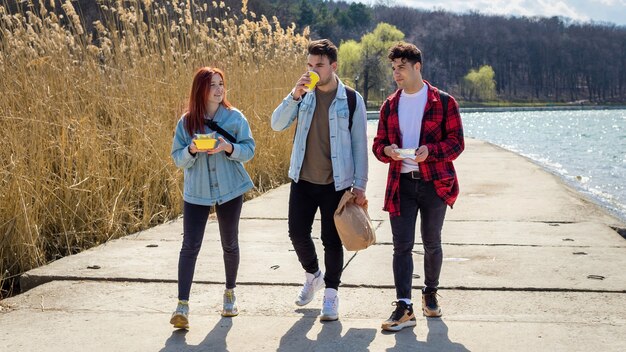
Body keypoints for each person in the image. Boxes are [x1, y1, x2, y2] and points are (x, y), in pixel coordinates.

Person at [271, 39, 368, 321]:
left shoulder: (351, 99)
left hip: (335, 183)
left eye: (319, 65)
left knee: (331, 240)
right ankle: (313, 275)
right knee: (297, 233)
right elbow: (277, 124)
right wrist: (294, 94)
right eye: (310, 65)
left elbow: (359, 145)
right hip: (302, 178)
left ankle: (331, 296)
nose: (313, 70)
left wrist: (359, 185)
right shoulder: (304, 95)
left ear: (333, 66)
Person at [372, 42, 464, 332]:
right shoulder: (390, 105)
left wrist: (430, 150)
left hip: (435, 182)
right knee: (401, 246)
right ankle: (404, 306)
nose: (396, 73)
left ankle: (430, 293)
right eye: (393, 68)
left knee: (432, 242)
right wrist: (388, 151)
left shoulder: (444, 102)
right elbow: (378, 145)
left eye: (401, 67)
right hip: (401, 183)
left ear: (417, 67)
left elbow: (456, 143)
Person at [169, 67, 255, 329]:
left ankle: (230, 293)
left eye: (221, 84)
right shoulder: (186, 122)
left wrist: (229, 147)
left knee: (229, 243)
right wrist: (192, 150)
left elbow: (249, 149)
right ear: (201, 90)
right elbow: (177, 158)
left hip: (230, 188)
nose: (219, 89)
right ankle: (182, 305)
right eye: (213, 85)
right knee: (190, 246)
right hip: (197, 192)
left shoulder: (235, 117)